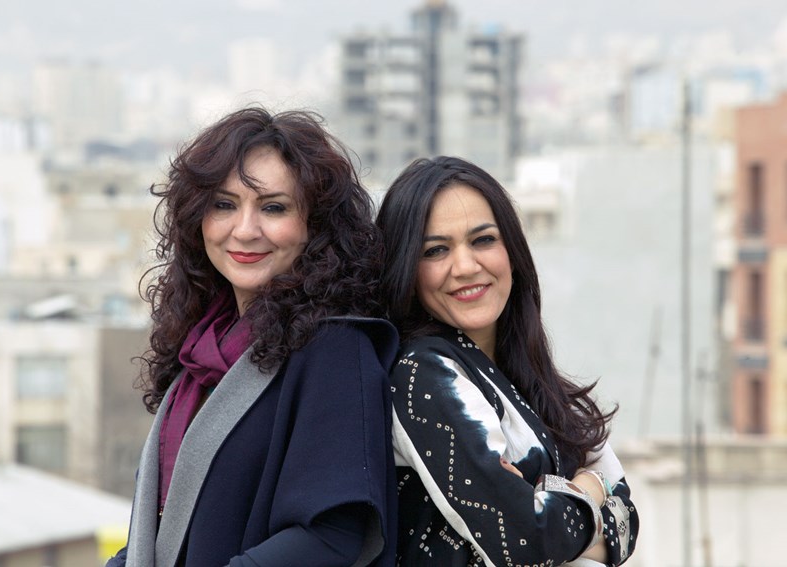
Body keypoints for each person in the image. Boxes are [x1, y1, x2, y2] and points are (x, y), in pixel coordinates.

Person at [107, 107, 398, 567]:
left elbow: (333, 536)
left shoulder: (335, 349)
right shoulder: (201, 355)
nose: (244, 230)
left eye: (273, 207)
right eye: (224, 205)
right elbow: (166, 532)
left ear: (315, 226)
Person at [375, 156, 639, 567]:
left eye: (482, 240)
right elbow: (525, 541)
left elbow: (628, 522)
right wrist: (590, 487)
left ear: (511, 251)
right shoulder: (422, 374)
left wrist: (550, 502)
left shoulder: (529, 377)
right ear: (407, 268)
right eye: (436, 250)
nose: (465, 267)